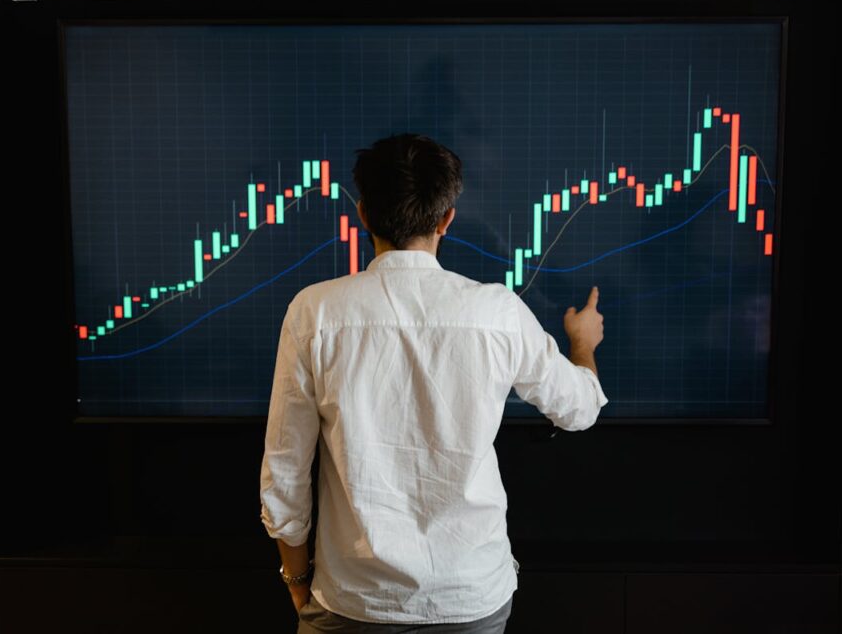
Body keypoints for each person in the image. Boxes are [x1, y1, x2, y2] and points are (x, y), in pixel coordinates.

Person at [259, 133, 608, 633]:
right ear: (447, 218)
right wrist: (582, 345)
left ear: (362, 214)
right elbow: (579, 410)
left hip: (352, 601)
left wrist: (296, 579)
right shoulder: (498, 312)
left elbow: (285, 472)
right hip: (470, 597)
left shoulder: (314, 313)